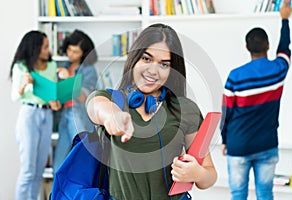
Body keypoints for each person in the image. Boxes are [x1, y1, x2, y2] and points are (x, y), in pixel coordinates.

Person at [86, 23, 217, 200]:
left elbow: (209, 176)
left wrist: (197, 173)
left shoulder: (185, 110)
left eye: (164, 64)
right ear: (134, 59)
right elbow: (95, 106)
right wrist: (112, 115)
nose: (153, 71)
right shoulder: (112, 100)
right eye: (146, 59)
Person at [220, 1, 292, 200]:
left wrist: (225, 140)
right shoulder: (278, 71)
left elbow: (226, 112)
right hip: (266, 145)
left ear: (247, 47)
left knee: (238, 195)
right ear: (267, 45)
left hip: (238, 144)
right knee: (265, 194)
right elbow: (285, 50)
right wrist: (284, 20)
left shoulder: (235, 76)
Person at [10, 30, 62, 200]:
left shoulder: (52, 66)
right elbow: (15, 96)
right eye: (46, 46)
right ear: (35, 48)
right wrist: (23, 84)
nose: (49, 50)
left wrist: (56, 102)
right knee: (28, 170)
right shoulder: (22, 67)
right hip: (29, 115)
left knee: (39, 170)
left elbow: (52, 93)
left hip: (47, 115)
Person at [53, 29, 99, 173]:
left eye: (76, 52)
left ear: (84, 54)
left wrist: (68, 78)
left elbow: (85, 96)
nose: (70, 54)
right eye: (69, 50)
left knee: (81, 157)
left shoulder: (88, 70)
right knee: (58, 164)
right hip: (64, 115)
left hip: (78, 116)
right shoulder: (65, 66)